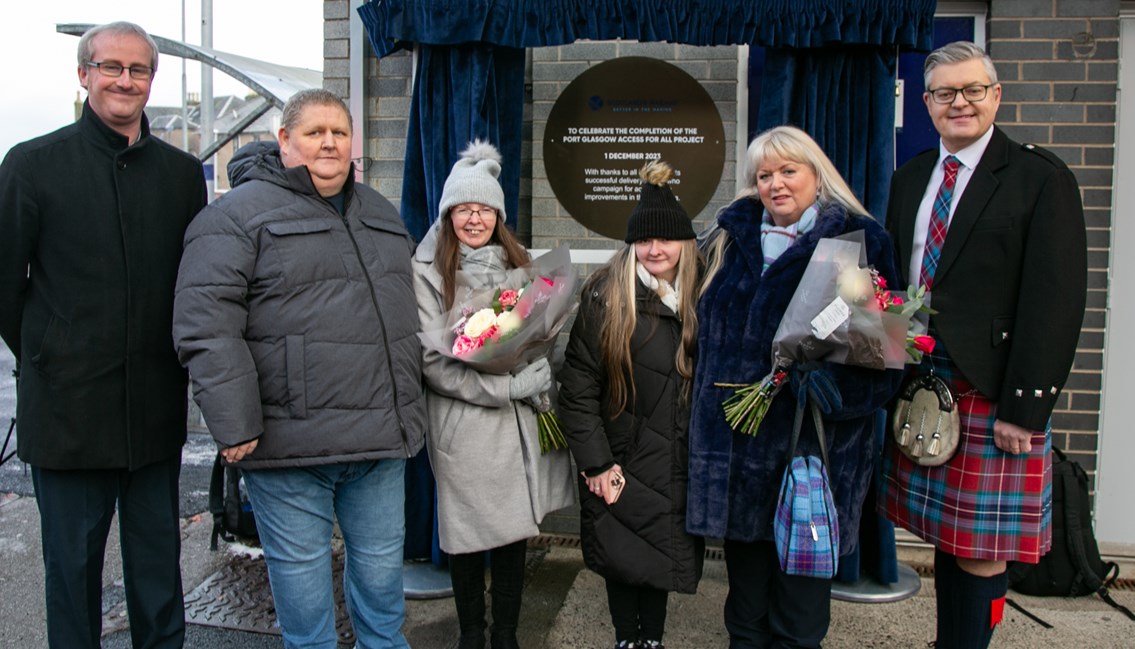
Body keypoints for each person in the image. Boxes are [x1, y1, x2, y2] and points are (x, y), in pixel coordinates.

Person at [173, 88, 426, 649]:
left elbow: (413, 311)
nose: (330, 142)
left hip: (380, 441)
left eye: (339, 131)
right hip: (289, 445)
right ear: (284, 140)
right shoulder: (235, 216)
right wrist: (235, 422)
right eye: (315, 132)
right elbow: (205, 323)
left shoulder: (379, 212)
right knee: (305, 601)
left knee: (383, 591)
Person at [0, 21, 206, 649]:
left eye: (137, 69)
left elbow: (194, 285)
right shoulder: (32, 165)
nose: (124, 79)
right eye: (111, 66)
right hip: (67, 413)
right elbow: (6, 288)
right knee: (72, 577)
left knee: (157, 580)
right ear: (83, 73)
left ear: (152, 79)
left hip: (151, 412)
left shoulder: (181, 174)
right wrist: (49, 353)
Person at [878, 41, 1087, 649]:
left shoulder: (1038, 178)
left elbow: (1054, 304)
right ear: (928, 102)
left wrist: (1026, 409)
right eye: (945, 93)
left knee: (982, 550)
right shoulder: (912, 175)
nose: (959, 103)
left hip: (992, 390)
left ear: (995, 96)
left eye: (973, 90)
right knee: (951, 536)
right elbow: (898, 281)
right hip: (919, 380)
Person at [687, 125, 903, 648]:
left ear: (816, 175)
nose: (775, 185)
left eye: (788, 171)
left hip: (810, 453)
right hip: (735, 454)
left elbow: (890, 354)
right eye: (764, 175)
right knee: (744, 608)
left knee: (799, 616)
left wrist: (837, 388)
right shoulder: (723, 238)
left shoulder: (858, 240)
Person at [412, 140, 575, 649]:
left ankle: (506, 634)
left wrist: (536, 367)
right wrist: (507, 386)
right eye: (464, 208)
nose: (475, 218)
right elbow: (434, 364)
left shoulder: (518, 265)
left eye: (484, 208)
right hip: (464, 425)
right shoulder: (425, 274)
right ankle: (470, 634)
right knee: (466, 535)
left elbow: (530, 337)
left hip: (516, 422)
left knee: (511, 534)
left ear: (498, 216)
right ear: (448, 215)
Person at [558, 160, 705, 649]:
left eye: (665, 239)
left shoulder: (702, 296)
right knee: (623, 552)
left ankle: (653, 640)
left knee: (660, 550)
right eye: (644, 240)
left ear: (684, 242)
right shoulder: (606, 295)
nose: (654, 249)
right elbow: (577, 390)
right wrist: (596, 461)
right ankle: (626, 638)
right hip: (619, 457)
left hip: (675, 460)